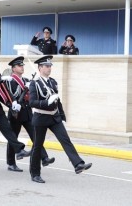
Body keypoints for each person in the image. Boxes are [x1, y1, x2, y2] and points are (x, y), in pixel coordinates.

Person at [29, 55, 92, 183]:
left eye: (50, 66)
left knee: (65, 140)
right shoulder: (34, 83)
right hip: (41, 117)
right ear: (40, 68)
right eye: (46, 66)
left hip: (54, 117)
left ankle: (78, 164)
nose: (49, 68)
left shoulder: (52, 82)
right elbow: (32, 102)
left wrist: (62, 115)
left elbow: (57, 101)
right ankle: (35, 173)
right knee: (37, 146)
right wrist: (46, 102)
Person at [5, 56, 55, 172]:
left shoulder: (27, 80)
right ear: (13, 68)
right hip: (16, 113)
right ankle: (11, 163)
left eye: (22, 65)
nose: (22, 67)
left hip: (27, 113)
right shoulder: (10, 81)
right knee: (13, 138)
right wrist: (12, 104)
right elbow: (8, 96)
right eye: (19, 66)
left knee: (35, 136)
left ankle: (44, 158)